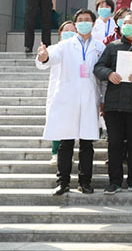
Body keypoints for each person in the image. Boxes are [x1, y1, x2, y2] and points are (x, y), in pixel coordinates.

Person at [36, 9, 104, 195]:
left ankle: (85, 182)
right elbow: (49, 57)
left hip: (90, 99)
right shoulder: (65, 45)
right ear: (75, 25)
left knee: (87, 144)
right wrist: (43, 56)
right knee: (66, 143)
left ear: (93, 23)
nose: (83, 23)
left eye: (87, 20)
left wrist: (103, 100)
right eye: (80, 20)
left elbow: (103, 76)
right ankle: (63, 182)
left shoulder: (100, 47)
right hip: (69, 100)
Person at [93, 12, 132, 195]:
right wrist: (109, 74)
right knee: (114, 143)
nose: (125, 25)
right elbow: (98, 67)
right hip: (114, 104)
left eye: (130, 23)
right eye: (123, 22)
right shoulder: (113, 47)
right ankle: (114, 181)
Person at [46, 21, 77, 165]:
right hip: (57, 91)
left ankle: (67, 155)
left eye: (72, 30)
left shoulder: (79, 49)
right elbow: (45, 61)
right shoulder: (54, 48)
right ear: (60, 33)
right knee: (56, 122)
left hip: (73, 92)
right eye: (66, 30)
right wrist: (43, 56)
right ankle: (55, 153)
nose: (69, 32)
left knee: (69, 125)